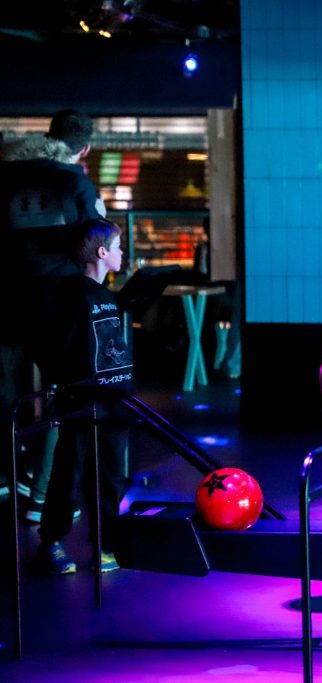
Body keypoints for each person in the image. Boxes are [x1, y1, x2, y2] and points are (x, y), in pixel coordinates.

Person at [0, 109, 105, 516]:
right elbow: (95, 238)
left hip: (6, 305)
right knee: (65, 395)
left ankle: (9, 477)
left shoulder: (4, 176)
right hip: (58, 305)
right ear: (85, 148)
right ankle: (44, 495)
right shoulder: (72, 180)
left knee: (6, 397)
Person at [37, 218, 131, 574]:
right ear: (103, 253)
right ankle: (52, 541)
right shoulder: (69, 294)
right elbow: (55, 345)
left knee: (110, 476)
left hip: (115, 400)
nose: (123, 254)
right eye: (119, 248)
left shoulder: (106, 294)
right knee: (70, 471)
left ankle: (106, 542)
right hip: (82, 400)